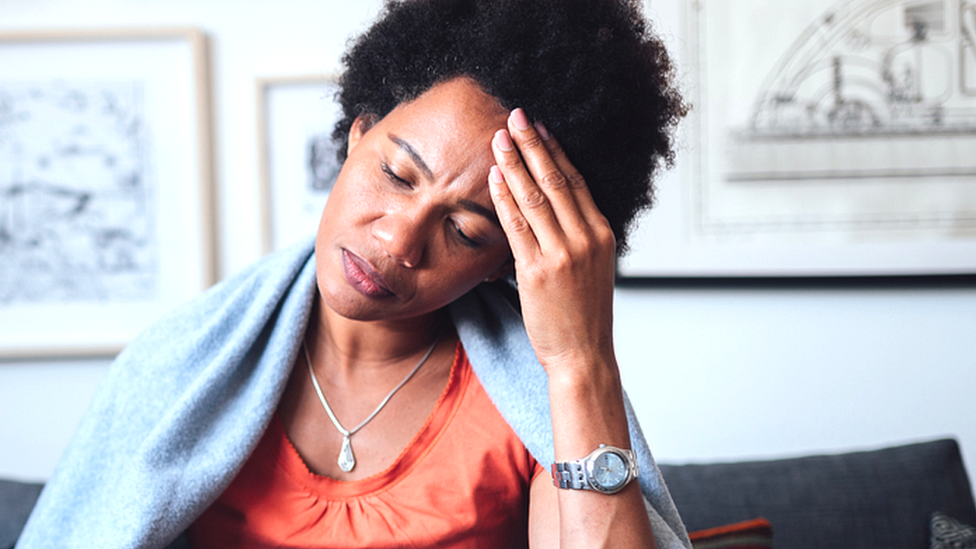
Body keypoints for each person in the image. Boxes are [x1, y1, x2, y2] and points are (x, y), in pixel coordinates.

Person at [17, 0, 688, 547]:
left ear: (505, 264)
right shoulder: (181, 370)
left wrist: (579, 363)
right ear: (358, 133)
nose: (398, 240)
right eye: (397, 174)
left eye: (466, 231)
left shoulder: (530, 405)